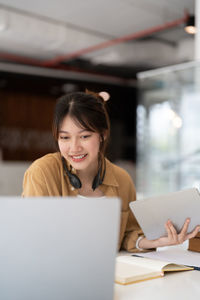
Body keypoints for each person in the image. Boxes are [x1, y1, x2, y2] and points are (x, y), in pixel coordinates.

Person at [22, 90, 200, 252]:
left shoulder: (122, 179)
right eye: (65, 137)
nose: (74, 147)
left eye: (84, 136)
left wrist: (156, 241)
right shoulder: (42, 173)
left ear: (103, 134)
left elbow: (129, 234)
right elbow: (31, 237)